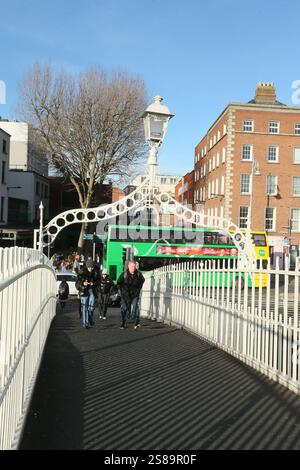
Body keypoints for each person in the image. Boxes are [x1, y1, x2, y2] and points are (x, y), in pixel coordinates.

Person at [117, 261, 145, 329]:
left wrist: (138, 288)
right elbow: (118, 282)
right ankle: (123, 323)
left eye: (134, 266)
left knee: (135, 306)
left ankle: (135, 321)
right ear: (128, 266)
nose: (133, 268)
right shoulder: (124, 274)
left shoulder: (138, 274)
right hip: (125, 294)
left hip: (135, 294)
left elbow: (142, 280)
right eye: (132, 266)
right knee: (124, 308)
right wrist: (120, 290)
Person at [76, 260, 100, 329]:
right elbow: (77, 284)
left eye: (92, 267)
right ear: (87, 267)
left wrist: (93, 283)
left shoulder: (95, 272)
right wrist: (83, 284)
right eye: (89, 267)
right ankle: (85, 323)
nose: (91, 269)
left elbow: (98, 281)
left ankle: (89, 319)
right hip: (84, 290)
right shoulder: (82, 272)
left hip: (91, 290)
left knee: (91, 307)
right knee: (85, 307)